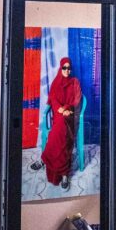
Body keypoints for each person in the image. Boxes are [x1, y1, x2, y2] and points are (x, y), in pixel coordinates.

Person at [42, 57, 82, 188]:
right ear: (60, 68)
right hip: (59, 114)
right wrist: (60, 109)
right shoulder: (56, 82)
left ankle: (47, 160)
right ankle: (63, 173)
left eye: (69, 68)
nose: (67, 70)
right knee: (59, 130)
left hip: (70, 115)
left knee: (61, 130)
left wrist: (67, 109)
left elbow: (77, 100)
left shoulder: (74, 82)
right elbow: (53, 99)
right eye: (64, 68)